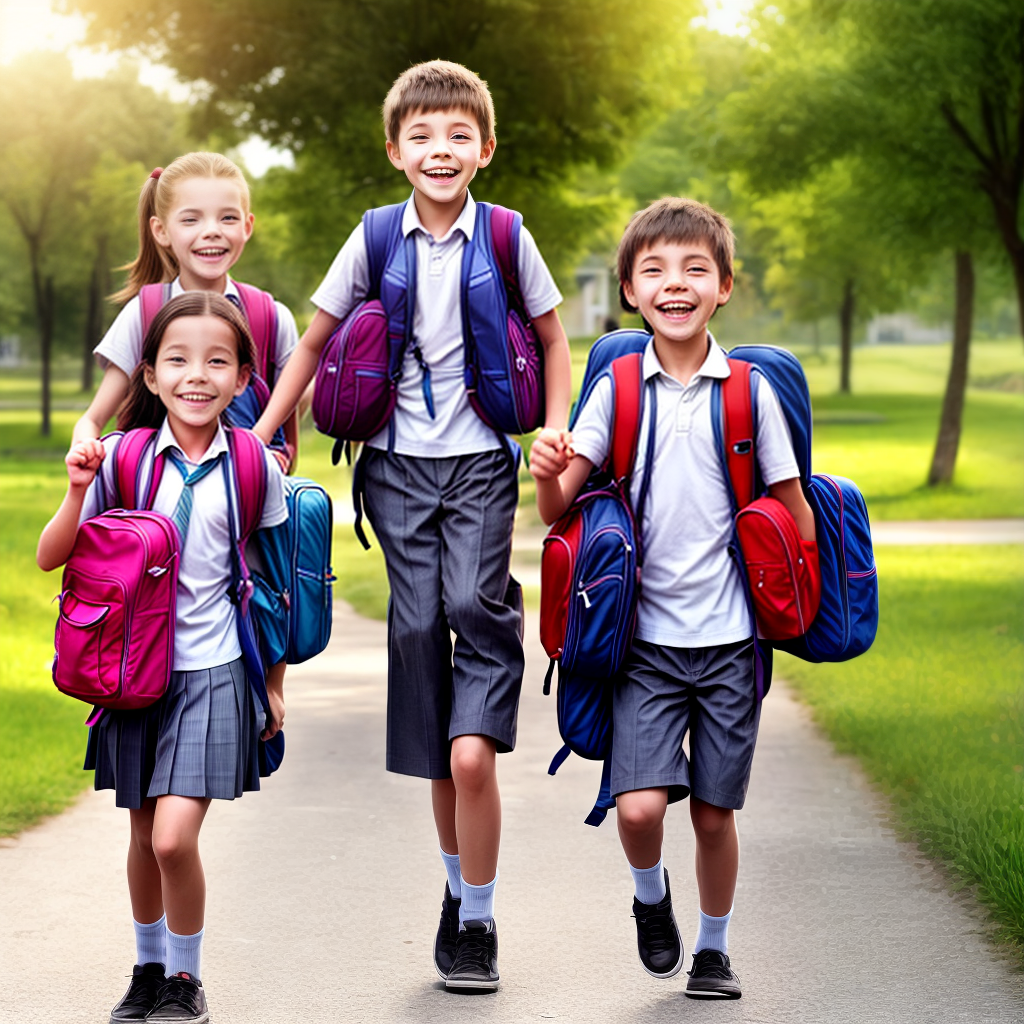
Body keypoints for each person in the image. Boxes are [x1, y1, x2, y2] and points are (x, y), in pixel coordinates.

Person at [252, 59, 573, 991]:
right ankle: (459, 897)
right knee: (418, 634)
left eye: (459, 135)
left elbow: (554, 340)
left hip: (477, 461)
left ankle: (479, 916)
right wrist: (264, 440)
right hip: (391, 468)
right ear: (395, 150)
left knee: (476, 604)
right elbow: (313, 342)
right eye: (423, 136)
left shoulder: (509, 236)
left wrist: (552, 425)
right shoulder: (374, 236)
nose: (442, 150)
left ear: (486, 147)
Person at [530, 197, 815, 999]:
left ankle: (715, 950)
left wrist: (799, 601)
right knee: (639, 810)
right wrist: (548, 467)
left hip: (730, 644)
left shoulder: (750, 392)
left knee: (715, 815)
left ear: (725, 286)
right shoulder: (618, 388)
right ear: (628, 287)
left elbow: (792, 509)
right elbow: (560, 511)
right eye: (654, 269)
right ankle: (651, 899)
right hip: (644, 648)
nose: (675, 283)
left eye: (695, 269)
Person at [38, 292, 288, 1024]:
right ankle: (147, 970)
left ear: (243, 378)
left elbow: (271, 587)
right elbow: (54, 557)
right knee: (143, 833)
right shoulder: (123, 458)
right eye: (177, 361)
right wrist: (78, 489)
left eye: (217, 362)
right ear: (149, 376)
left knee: (175, 837)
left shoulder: (253, 466)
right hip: (131, 672)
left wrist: (274, 686)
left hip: (213, 672)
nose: (196, 376)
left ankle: (184, 980)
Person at [71, 151, 301, 464]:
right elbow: (93, 420)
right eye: (191, 219)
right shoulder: (143, 314)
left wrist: (265, 459)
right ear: (161, 230)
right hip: (154, 506)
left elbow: (286, 440)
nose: (212, 231)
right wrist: (87, 449)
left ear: (247, 226)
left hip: (245, 504)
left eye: (228, 218)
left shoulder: (271, 318)